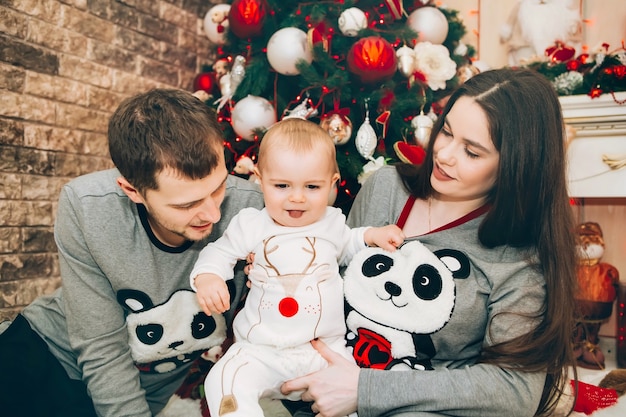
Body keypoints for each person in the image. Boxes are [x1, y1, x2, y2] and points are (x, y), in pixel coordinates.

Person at [281, 68, 578, 417]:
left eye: (472, 152)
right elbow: (331, 279)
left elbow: (514, 390)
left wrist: (365, 389)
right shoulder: (384, 188)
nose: (445, 155)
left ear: (515, 167)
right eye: (447, 132)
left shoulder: (518, 259)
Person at [0, 88, 265, 417]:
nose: (212, 213)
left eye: (218, 187)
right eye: (187, 204)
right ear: (132, 190)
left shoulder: (253, 209)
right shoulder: (87, 206)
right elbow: (100, 346)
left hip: (141, 390)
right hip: (45, 355)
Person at [190, 118, 405, 417]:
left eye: (312, 186)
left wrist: (372, 236)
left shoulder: (332, 222)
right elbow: (220, 252)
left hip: (322, 351)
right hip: (259, 351)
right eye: (281, 185)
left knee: (352, 398)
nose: (297, 197)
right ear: (259, 178)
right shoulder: (252, 224)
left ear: (332, 184)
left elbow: (349, 243)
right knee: (223, 382)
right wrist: (209, 276)